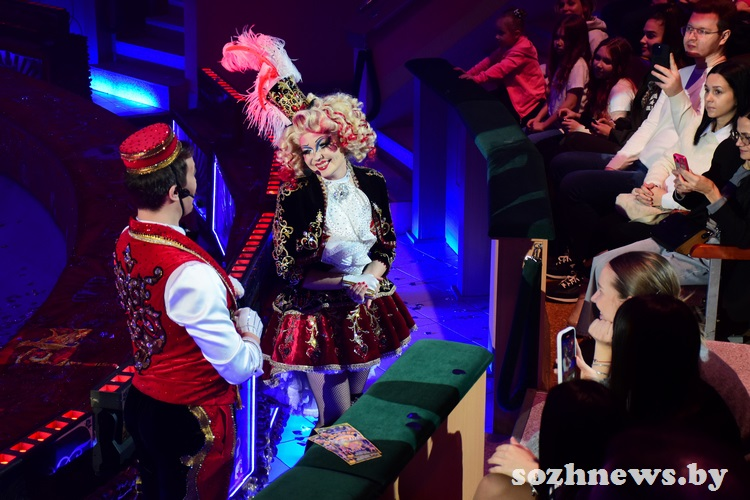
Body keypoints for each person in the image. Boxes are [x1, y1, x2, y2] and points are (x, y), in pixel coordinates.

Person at [220, 29, 415, 428]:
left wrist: (371, 278)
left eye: (323, 144)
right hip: (320, 320)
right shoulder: (295, 197)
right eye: (307, 150)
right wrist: (346, 281)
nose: (316, 156)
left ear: (342, 137)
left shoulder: (373, 183)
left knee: (358, 406)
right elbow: (289, 270)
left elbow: (385, 245)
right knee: (335, 418)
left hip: (366, 308)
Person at [546, 0, 736, 301]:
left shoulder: (723, 82)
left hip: (666, 178)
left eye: (702, 31)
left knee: (574, 184)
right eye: (689, 29)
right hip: (649, 166)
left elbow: (695, 139)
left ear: (723, 36)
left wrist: (658, 184)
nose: (692, 37)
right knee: (563, 162)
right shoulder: (684, 72)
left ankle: (582, 269)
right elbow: (650, 125)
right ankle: (572, 255)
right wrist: (619, 160)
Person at [113, 123, 265, 499]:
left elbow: (163, 298)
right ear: (173, 193)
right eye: (194, 176)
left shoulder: (126, 239)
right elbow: (238, 367)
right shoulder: (192, 276)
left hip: (143, 403)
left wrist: (221, 287)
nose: (198, 185)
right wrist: (251, 331)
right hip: (190, 421)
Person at [582, 101, 750, 340]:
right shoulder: (731, 153)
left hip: (715, 255)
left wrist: (712, 193)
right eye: (738, 135)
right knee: (603, 262)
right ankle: (590, 337)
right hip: (687, 236)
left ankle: (611, 344)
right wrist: (684, 190)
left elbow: (742, 238)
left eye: (746, 138)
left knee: (620, 276)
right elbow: (697, 200)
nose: (739, 142)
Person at [458, 7, 546, 126]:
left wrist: (477, 79)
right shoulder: (507, 45)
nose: (496, 37)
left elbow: (501, 69)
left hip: (529, 100)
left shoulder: (522, 49)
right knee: (484, 104)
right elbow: (489, 61)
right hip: (514, 92)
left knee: (491, 110)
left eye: (501, 33)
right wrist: (469, 73)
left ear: (516, 34)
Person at [526, 14, 591, 135]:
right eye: (556, 37)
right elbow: (552, 100)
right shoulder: (562, 63)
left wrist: (544, 125)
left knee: (530, 141)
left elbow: (570, 103)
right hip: (553, 123)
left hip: (565, 129)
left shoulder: (578, 65)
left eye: (564, 39)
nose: (558, 43)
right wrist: (538, 119)